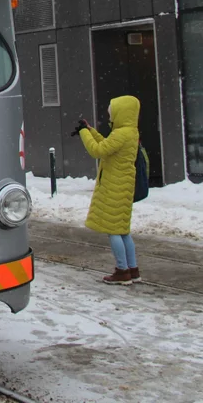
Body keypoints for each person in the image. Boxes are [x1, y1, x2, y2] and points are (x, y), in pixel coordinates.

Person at [74, 95, 141, 285]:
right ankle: (133, 269)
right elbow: (106, 145)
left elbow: (98, 151)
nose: (110, 116)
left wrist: (83, 134)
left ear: (121, 113)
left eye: (112, 113)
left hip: (115, 185)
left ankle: (122, 270)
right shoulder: (130, 132)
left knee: (113, 231)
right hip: (124, 184)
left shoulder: (121, 133)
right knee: (123, 230)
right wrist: (90, 130)